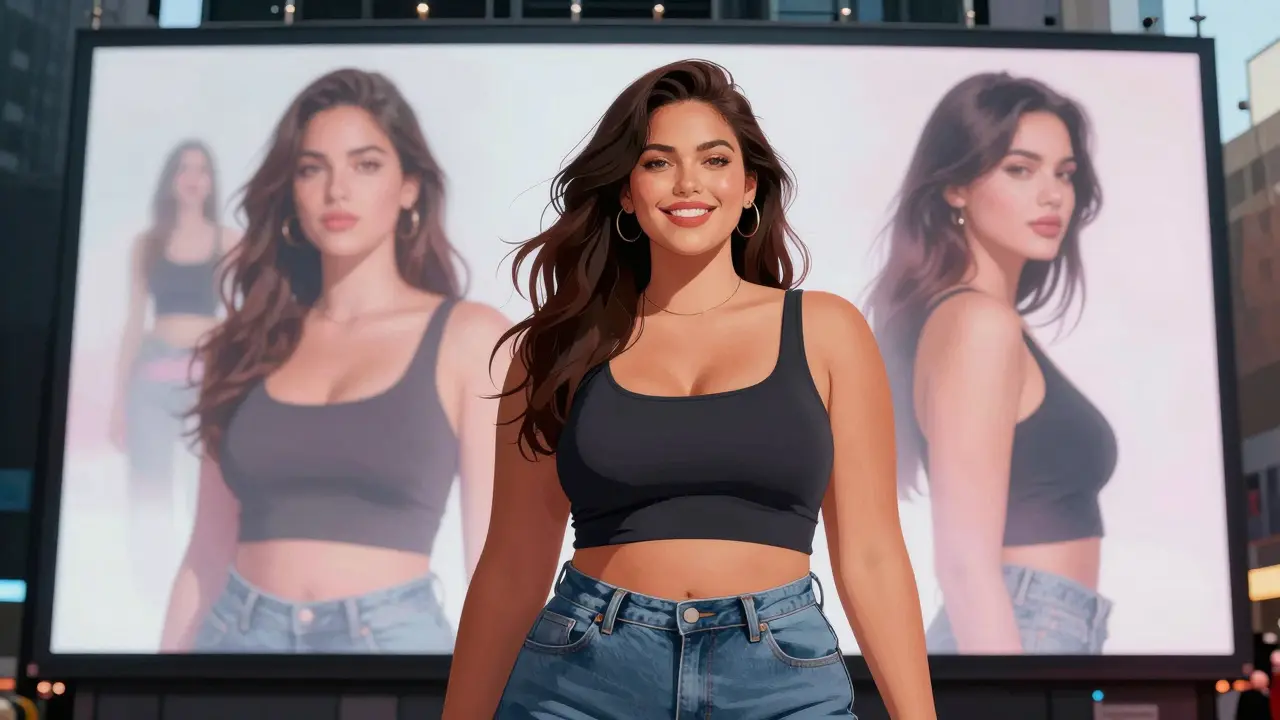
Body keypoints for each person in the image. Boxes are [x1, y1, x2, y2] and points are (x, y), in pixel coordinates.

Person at [443, 60, 936, 719]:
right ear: (625, 191)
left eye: (713, 159)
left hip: (779, 680)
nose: (687, 183)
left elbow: (872, 555)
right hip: (585, 679)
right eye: (656, 162)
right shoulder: (556, 348)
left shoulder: (826, 331)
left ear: (749, 185)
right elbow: (510, 568)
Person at [158, 68, 511, 654]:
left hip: (393, 648)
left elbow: (497, 557)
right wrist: (156, 692)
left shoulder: (470, 338)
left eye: (365, 164)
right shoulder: (240, 345)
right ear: (292, 192)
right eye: (312, 167)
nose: (336, 190)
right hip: (236, 643)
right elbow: (205, 552)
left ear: (409, 187)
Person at [865, 72, 1114, 655]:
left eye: (1065, 172)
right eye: (1020, 169)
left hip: (1040, 630)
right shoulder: (978, 325)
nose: (1053, 194)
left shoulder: (979, 321)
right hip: (1016, 633)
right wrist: (1015, 689)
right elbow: (964, 563)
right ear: (955, 187)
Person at [110, 139, 240, 603]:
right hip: (151, 379)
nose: (192, 176)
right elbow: (133, 321)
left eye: (202, 169)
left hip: (207, 379)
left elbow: (237, 314)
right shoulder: (148, 244)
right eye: (184, 167)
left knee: (205, 489)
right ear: (171, 177)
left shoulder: (227, 241)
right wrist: (118, 403)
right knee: (149, 488)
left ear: (210, 181)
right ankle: (149, 589)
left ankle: (204, 587)